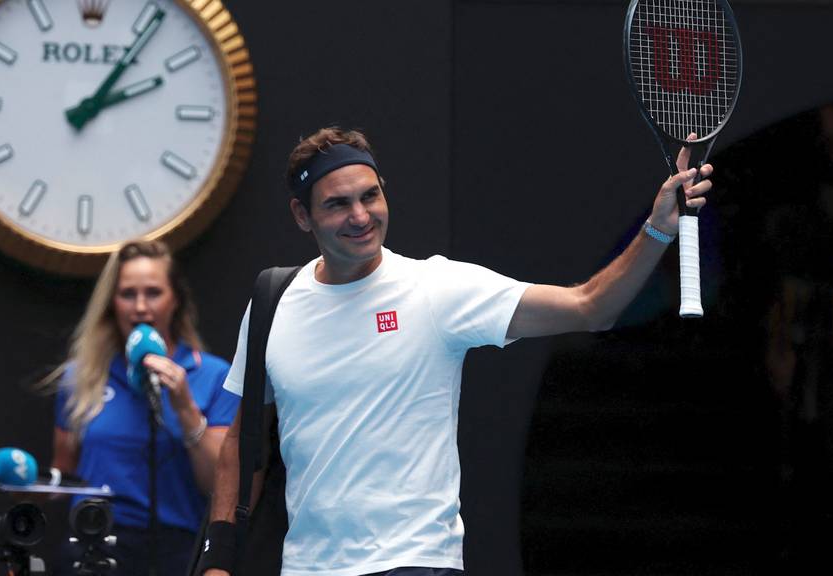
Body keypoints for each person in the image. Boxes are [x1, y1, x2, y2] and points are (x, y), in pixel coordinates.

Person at [200, 128, 713, 576]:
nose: (360, 216)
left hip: (416, 560)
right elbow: (242, 445)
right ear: (302, 215)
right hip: (308, 567)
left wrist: (657, 228)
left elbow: (590, 306)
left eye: (370, 196)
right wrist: (217, 559)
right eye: (337, 204)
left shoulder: (437, 289)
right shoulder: (272, 302)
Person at [45, 240, 240, 576]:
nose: (140, 307)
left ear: (175, 299)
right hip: (96, 545)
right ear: (111, 303)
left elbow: (219, 486)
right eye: (127, 294)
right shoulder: (81, 377)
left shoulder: (213, 375)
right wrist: (24, 485)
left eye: (153, 293)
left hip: (176, 549)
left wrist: (185, 409)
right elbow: (63, 472)